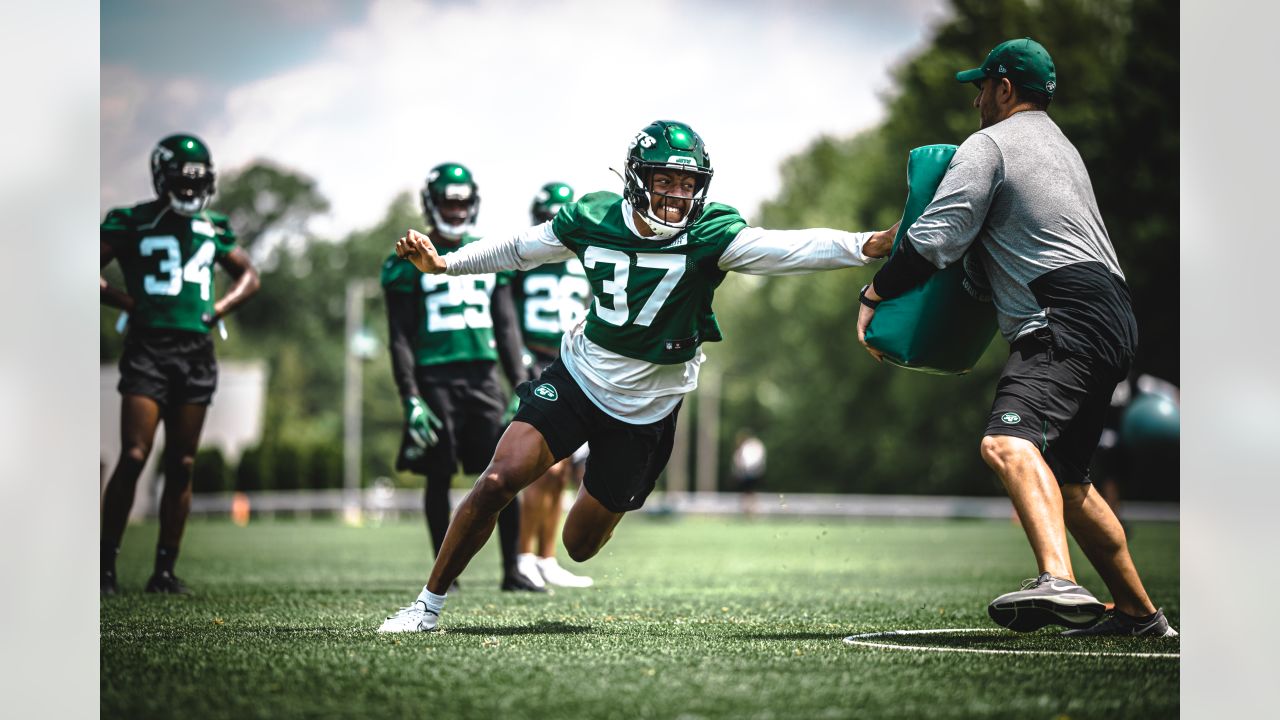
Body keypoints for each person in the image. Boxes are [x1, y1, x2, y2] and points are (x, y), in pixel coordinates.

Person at [378, 120, 896, 632]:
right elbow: (517, 249)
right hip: (581, 376)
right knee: (497, 479)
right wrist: (445, 265)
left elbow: (789, 249)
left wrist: (866, 244)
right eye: (665, 181)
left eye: (688, 183)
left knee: (580, 545)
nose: (677, 195)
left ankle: (594, 508)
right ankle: (426, 605)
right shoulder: (592, 216)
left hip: (650, 406)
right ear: (636, 178)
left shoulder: (711, 232)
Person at [855, 39, 1176, 637]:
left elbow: (935, 240)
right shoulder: (1063, 149)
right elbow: (991, 257)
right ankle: (1139, 612)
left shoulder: (990, 144)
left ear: (1004, 89)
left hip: (1061, 313)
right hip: (1112, 311)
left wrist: (876, 296)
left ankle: (1057, 578)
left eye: (981, 87)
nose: (977, 99)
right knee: (1070, 481)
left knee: (1005, 445)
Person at [100, 133, 260, 594]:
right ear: (160, 177)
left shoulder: (214, 225)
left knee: (183, 462)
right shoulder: (133, 221)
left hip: (195, 352)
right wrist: (127, 301)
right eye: (181, 181)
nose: (190, 191)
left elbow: (250, 276)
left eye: (198, 182)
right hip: (148, 348)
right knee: (134, 454)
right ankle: (106, 565)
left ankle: (164, 570)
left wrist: (217, 310)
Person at [381, 162, 541, 593]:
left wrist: (520, 384)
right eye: (449, 202)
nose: (456, 210)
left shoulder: (487, 253)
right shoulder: (405, 261)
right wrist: (409, 395)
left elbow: (507, 327)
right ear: (432, 204)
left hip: (484, 376)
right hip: (434, 378)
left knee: (507, 470)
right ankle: (445, 573)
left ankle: (512, 568)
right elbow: (399, 338)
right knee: (439, 473)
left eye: (463, 202)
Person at [510, 182, 595, 589]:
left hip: (570, 363)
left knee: (562, 470)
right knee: (542, 466)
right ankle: (525, 555)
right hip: (535, 363)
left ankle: (546, 557)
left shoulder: (588, 260)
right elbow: (506, 316)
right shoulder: (525, 259)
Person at [730, 430, 766, 517]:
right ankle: (748, 512)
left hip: (752, 473)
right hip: (746, 474)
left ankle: (752, 511)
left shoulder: (752, 446)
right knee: (747, 493)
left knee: (750, 492)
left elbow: (752, 460)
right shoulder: (745, 447)